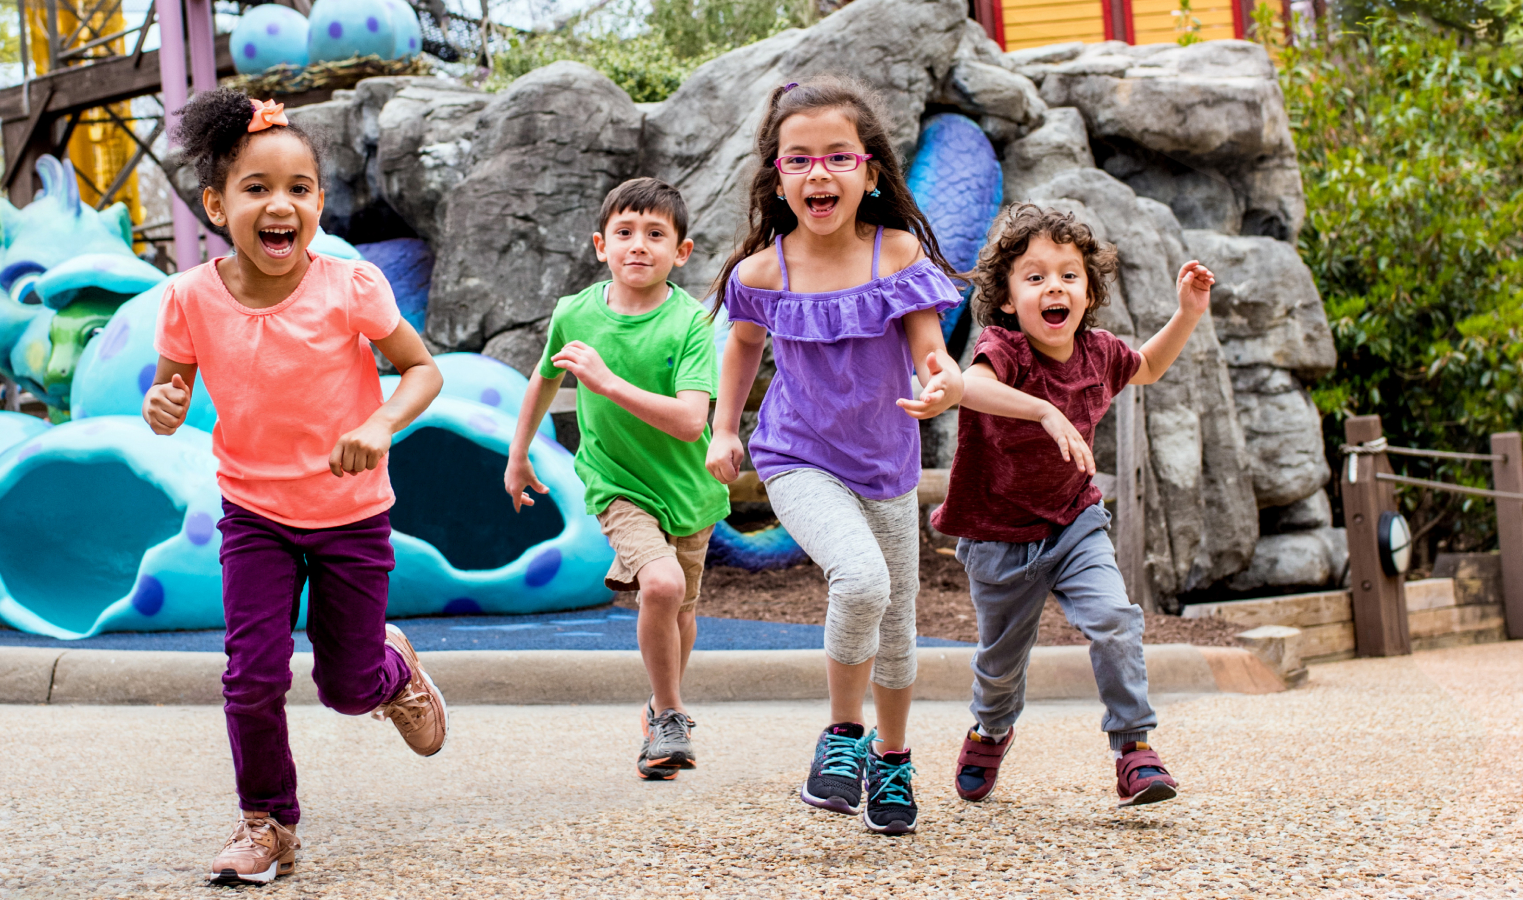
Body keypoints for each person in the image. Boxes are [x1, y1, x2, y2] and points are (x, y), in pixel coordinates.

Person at [142, 88, 448, 886]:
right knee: (252, 675)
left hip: (351, 517)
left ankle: (392, 672)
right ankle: (267, 823)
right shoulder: (188, 299)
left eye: (299, 189)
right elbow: (167, 394)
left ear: (317, 202)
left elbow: (422, 371)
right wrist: (162, 404)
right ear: (216, 203)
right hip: (253, 516)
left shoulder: (351, 286)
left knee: (347, 689)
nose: (281, 205)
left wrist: (380, 425)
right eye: (257, 188)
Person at [705, 78, 965, 836]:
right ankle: (843, 737)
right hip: (797, 455)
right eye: (799, 160)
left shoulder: (898, 253)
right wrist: (726, 430)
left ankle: (892, 758)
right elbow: (743, 350)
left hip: (885, 463)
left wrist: (941, 381)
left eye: (837, 157)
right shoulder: (762, 272)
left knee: (898, 622)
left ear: (870, 172)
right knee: (860, 580)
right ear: (777, 177)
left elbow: (926, 347)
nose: (818, 173)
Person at [933, 203, 1213, 809]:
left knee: (1115, 620)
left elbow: (1150, 367)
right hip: (998, 533)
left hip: (1075, 522)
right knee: (1001, 665)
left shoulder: (1101, 353)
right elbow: (968, 386)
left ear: (1088, 292)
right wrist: (1040, 408)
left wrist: (1186, 314)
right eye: (1034, 277)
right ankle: (991, 727)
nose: (1053, 287)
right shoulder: (1003, 348)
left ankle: (1134, 749)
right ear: (1007, 299)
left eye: (1068, 274)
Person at [503, 177, 730, 781]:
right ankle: (674, 714)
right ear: (600, 245)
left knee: (680, 607)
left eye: (656, 235)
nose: (639, 246)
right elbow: (544, 379)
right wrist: (517, 453)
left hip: (688, 488)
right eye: (625, 233)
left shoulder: (690, 324)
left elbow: (689, 422)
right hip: (616, 482)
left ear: (681, 252)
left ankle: (660, 710)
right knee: (659, 587)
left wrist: (605, 383)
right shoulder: (575, 313)